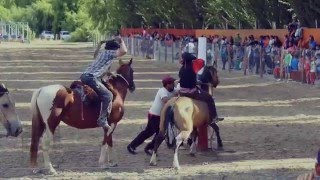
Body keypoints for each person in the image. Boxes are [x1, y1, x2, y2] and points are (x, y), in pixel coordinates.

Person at [80, 37, 127, 132]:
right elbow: (124, 51)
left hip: (85, 76)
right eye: (117, 48)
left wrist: (111, 74)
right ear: (113, 49)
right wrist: (121, 40)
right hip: (92, 78)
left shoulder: (102, 53)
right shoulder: (110, 53)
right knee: (108, 95)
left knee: (102, 88)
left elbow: (98, 62)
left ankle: (86, 97)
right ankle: (102, 120)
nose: (117, 51)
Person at [127, 76, 177, 155]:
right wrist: (176, 100)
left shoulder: (173, 90)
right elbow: (166, 100)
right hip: (155, 116)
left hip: (158, 116)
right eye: (172, 83)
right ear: (167, 85)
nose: (174, 85)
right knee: (160, 133)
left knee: (148, 132)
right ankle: (149, 148)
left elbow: (179, 91)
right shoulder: (162, 91)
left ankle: (132, 146)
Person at [178, 52, 223, 126]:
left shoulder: (182, 69)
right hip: (191, 92)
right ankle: (214, 117)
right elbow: (202, 62)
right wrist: (194, 59)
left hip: (182, 92)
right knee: (209, 98)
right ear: (190, 61)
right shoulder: (193, 68)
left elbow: (184, 80)